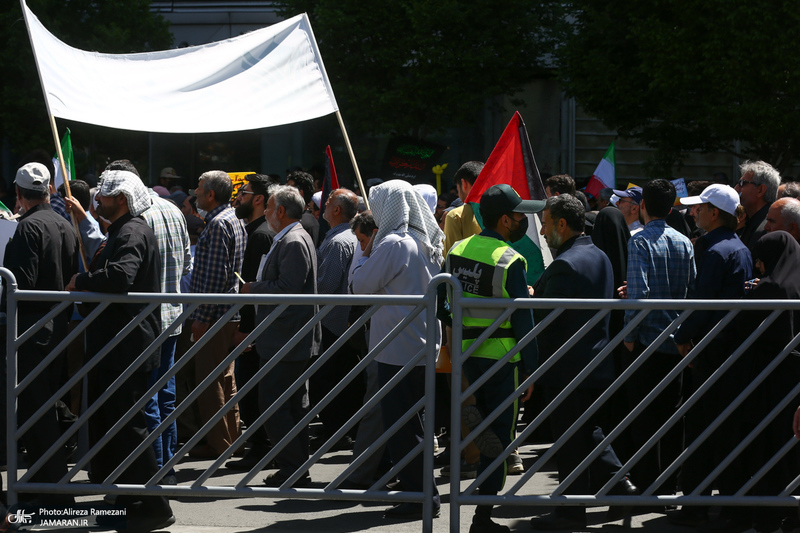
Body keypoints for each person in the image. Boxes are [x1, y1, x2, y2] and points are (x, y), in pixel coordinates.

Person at [66, 169, 175, 532]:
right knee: (118, 423)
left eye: (105, 197)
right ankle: (131, 498)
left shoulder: (132, 231)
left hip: (126, 345)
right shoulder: (126, 229)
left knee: (130, 426)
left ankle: (153, 504)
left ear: (123, 201)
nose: (98, 201)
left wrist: (81, 281)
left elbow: (120, 277)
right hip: (118, 342)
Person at [531, 194, 636, 530]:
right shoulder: (598, 255)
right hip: (593, 361)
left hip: (567, 365)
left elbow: (548, 320)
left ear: (562, 224)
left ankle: (570, 511)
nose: (544, 231)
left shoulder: (566, 263)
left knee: (569, 440)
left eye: (546, 224)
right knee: (585, 433)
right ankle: (620, 487)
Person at [441, 184, 540, 533]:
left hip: (467, 357)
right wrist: (531, 369)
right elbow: (523, 318)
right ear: (505, 219)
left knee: (483, 428)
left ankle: (481, 505)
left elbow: (443, 300)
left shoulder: (456, 249)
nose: (522, 221)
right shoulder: (510, 259)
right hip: (503, 360)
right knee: (501, 434)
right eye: (518, 215)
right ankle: (483, 516)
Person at [350, 180, 443, 520]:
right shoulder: (425, 240)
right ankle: (423, 493)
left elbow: (359, 286)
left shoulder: (392, 243)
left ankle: (420, 498)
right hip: (419, 343)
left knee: (403, 427)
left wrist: (363, 251)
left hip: (397, 347)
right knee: (413, 425)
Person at [669, 185, 752, 526]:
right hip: (729, 351)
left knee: (703, 429)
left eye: (699, 208)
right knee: (726, 429)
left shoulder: (717, 252)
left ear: (714, 213)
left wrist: (681, 336)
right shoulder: (739, 248)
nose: (693, 213)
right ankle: (728, 505)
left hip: (713, 352)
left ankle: (696, 506)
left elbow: (703, 305)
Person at [106, 160, 192, 485]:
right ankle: (165, 468)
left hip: (147, 321)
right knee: (164, 397)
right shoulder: (173, 210)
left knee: (148, 401)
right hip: (172, 315)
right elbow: (186, 264)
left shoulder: (136, 220)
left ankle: (153, 472)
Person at [3, 163, 79, 503]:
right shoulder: (65, 224)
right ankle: (45, 483)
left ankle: (51, 489)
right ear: (48, 190)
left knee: (36, 408)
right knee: (44, 404)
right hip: (58, 324)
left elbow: (19, 284)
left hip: (32, 327)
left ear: (18, 195)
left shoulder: (27, 228)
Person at [241, 185, 321, 487]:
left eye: (269, 207)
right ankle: (295, 469)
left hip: (287, 338)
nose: (264, 213)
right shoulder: (290, 238)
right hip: (286, 337)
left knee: (275, 406)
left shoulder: (293, 240)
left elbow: (287, 288)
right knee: (291, 406)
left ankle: (293, 468)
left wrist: (253, 289)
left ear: (281, 211)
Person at [621, 179, 695, 497]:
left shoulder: (639, 242)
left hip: (649, 341)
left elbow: (639, 296)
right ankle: (669, 484)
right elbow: (692, 291)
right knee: (672, 417)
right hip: (677, 342)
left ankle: (648, 485)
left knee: (644, 417)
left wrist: (629, 336)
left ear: (643, 206)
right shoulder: (685, 242)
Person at [189, 170, 246, 458]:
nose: (195, 193)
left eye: (199, 189)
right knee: (225, 379)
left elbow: (214, 278)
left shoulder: (218, 224)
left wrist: (202, 317)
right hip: (227, 313)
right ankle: (231, 440)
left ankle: (221, 445)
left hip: (215, 316)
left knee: (210, 382)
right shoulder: (232, 220)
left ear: (211, 194)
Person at [225, 174, 276, 471]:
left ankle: (261, 447)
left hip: (256, 328)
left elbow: (254, 287)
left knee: (252, 389)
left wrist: (246, 329)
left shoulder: (261, 235)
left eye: (243, 193)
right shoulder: (256, 231)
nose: (238, 198)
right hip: (257, 326)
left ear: (258, 199)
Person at [310, 188, 363, 447]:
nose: (323, 206)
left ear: (337, 210)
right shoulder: (346, 238)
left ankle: (336, 431)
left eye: (328, 202)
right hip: (343, 322)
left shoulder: (338, 242)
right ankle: (339, 429)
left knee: (328, 379)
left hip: (333, 323)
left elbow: (326, 286)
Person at [735, 160, 781, 255]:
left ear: (760, 190)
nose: (736, 188)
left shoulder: (768, 227)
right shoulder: (750, 221)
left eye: (742, 183)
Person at [443, 161, 484, 253]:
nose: (458, 194)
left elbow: (450, 259)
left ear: (464, 184)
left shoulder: (456, 216)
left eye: (457, 189)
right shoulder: (502, 211)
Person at [286, 171, 320, 246]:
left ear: (299, 193)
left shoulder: (299, 223)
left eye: (288, 190)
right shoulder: (310, 219)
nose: (284, 193)